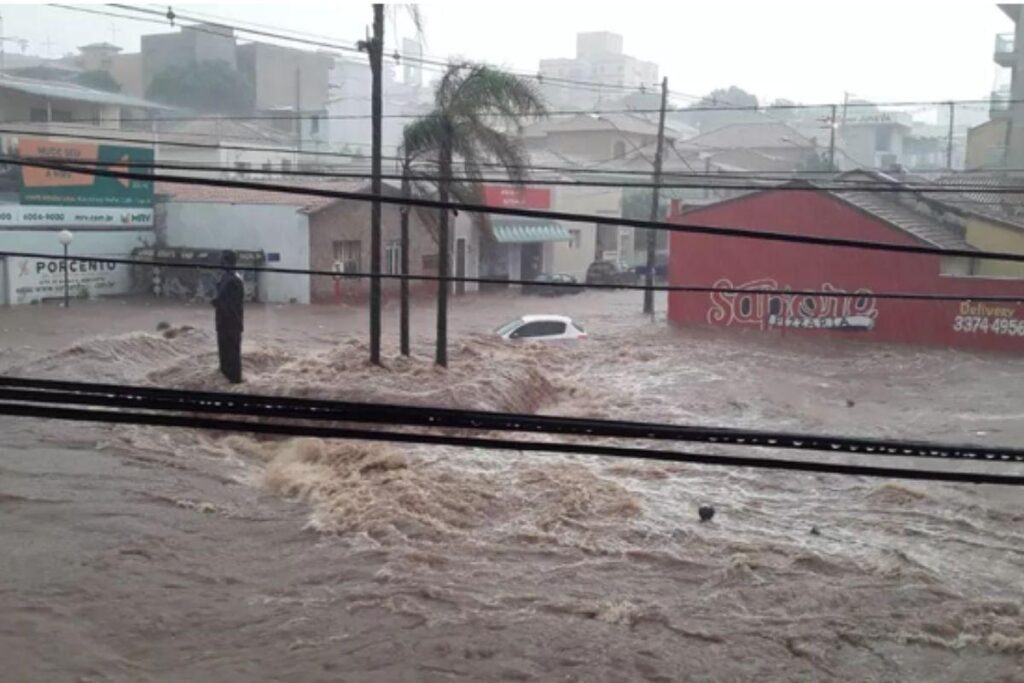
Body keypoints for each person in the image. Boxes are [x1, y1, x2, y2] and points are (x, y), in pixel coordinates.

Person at [212, 249, 244, 383]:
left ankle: (234, 384)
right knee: (226, 357)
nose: (220, 262)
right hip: (227, 324)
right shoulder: (231, 278)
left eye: (222, 260)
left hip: (229, 324)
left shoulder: (232, 280)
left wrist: (217, 303)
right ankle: (228, 383)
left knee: (231, 357)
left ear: (227, 261)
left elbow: (229, 302)